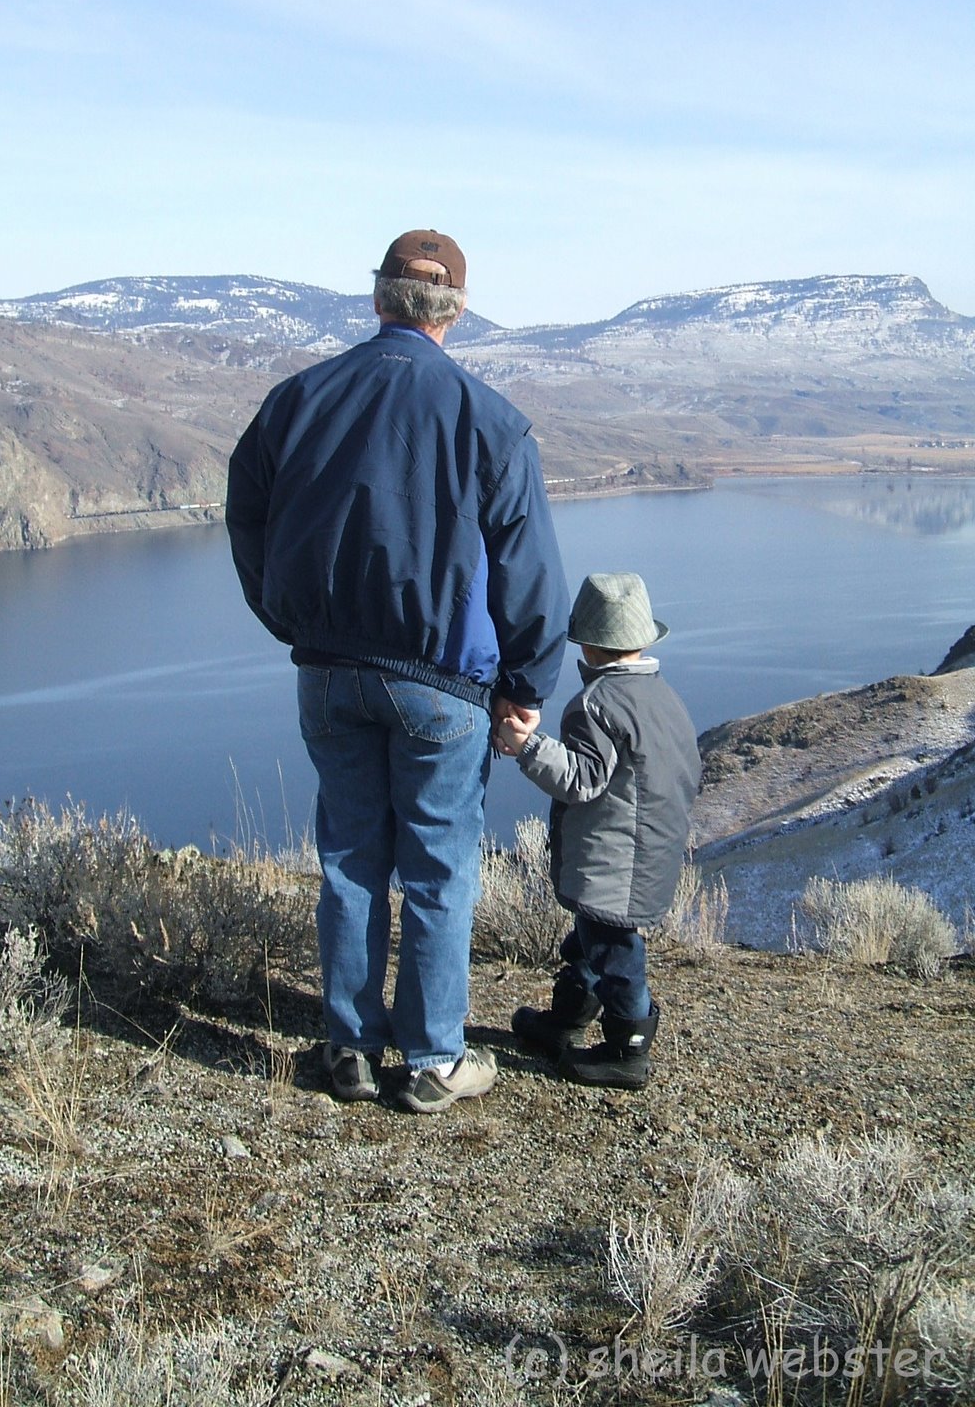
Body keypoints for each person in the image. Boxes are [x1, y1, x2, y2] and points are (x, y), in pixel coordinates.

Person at [226, 229, 569, 1113]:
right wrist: (524, 687)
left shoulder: (300, 398)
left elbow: (248, 511)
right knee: (440, 870)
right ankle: (430, 1061)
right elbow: (531, 576)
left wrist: (287, 616)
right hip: (443, 684)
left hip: (330, 671)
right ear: (453, 310)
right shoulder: (488, 420)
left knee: (348, 861)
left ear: (379, 297)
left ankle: (347, 1046)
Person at [495, 572, 700, 1090]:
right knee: (590, 941)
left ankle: (627, 1049)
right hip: (649, 851)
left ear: (588, 645)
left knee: (613, 949)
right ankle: (563, 1023)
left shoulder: (595, 706)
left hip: (615, 861)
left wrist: (528, 745)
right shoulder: (665, 700)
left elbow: (581, 781)